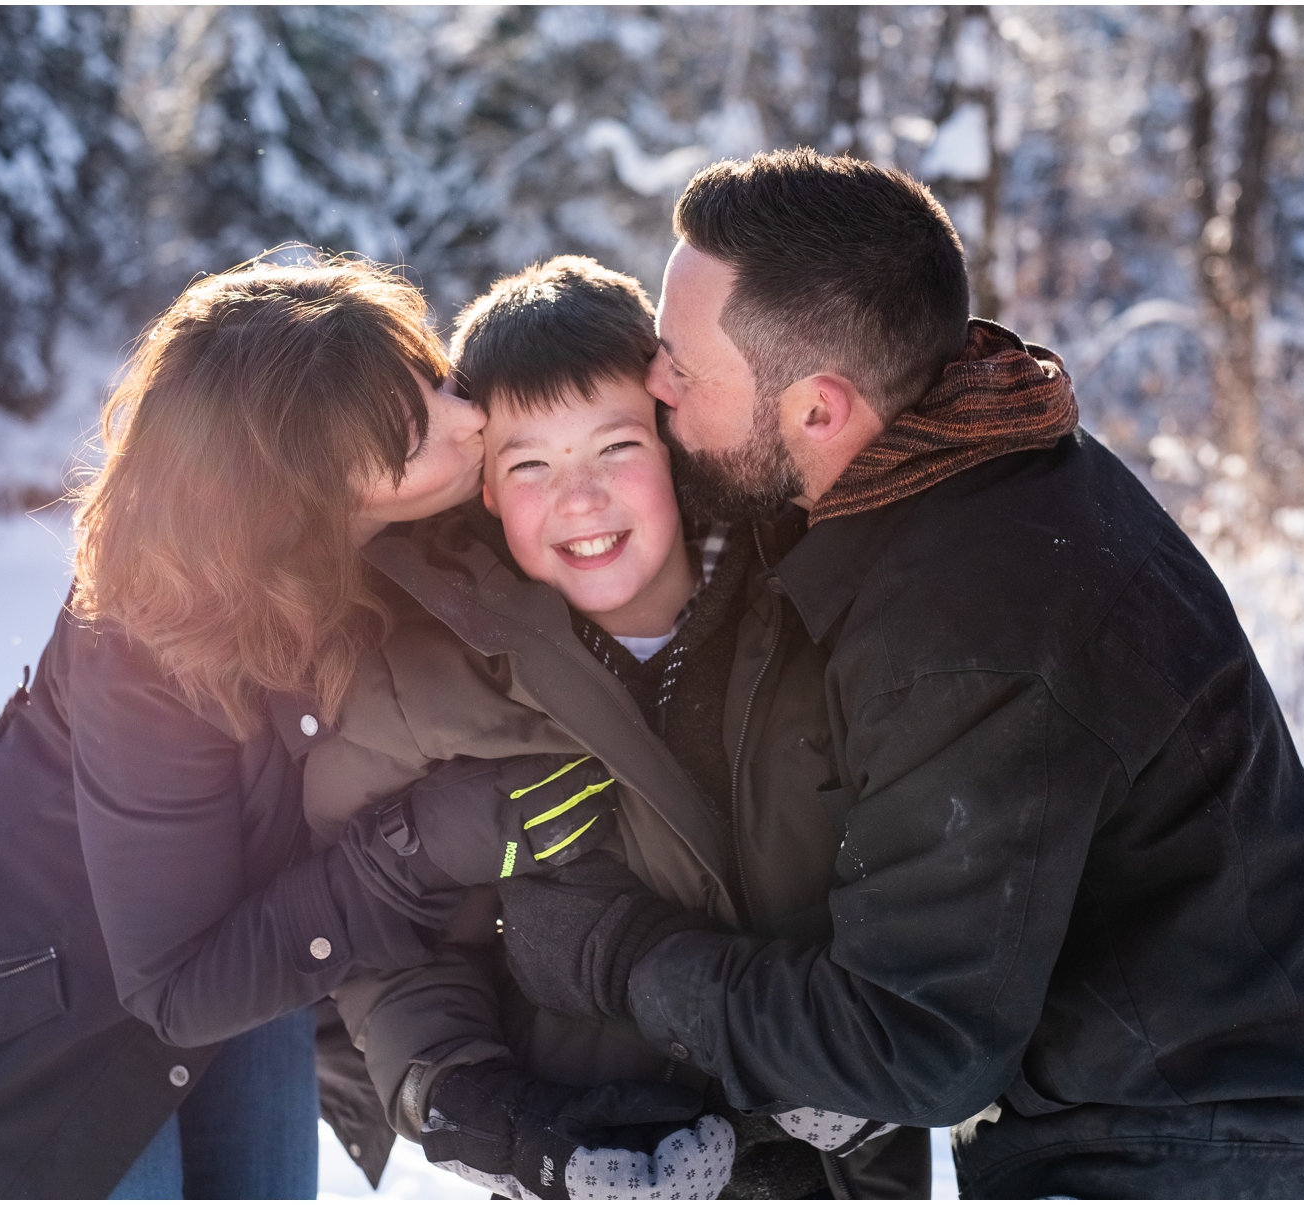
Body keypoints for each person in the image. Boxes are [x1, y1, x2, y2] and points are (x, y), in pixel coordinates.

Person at [490, 151, 1304, 1199]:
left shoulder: (964, 624)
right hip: (1147, 1074)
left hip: (1202, 1127)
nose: (655, 387)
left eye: (683, 372)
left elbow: (913, 1038)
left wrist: (619, 953)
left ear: (820, 412)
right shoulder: (960, 453)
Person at [0, 255, 493, 1199]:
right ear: (301, 474)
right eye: (408, 423)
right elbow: (178, 986)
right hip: (34, 1054)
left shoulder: (377, 557)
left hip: (238, 977)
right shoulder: (150, 638)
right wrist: (417, 845)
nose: (469, 416)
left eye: (437, 380)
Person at [314, 257, 928, 1197]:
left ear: (674, 444)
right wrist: (480, 1103)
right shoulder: (421, 680)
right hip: (593, 1148)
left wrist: (891, 1024)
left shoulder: (820, 607)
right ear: (485, 488)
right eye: (530, 464)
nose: (580, 496)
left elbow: (932, 845)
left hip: (838, 1159)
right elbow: (396, 939)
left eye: (616, 447)